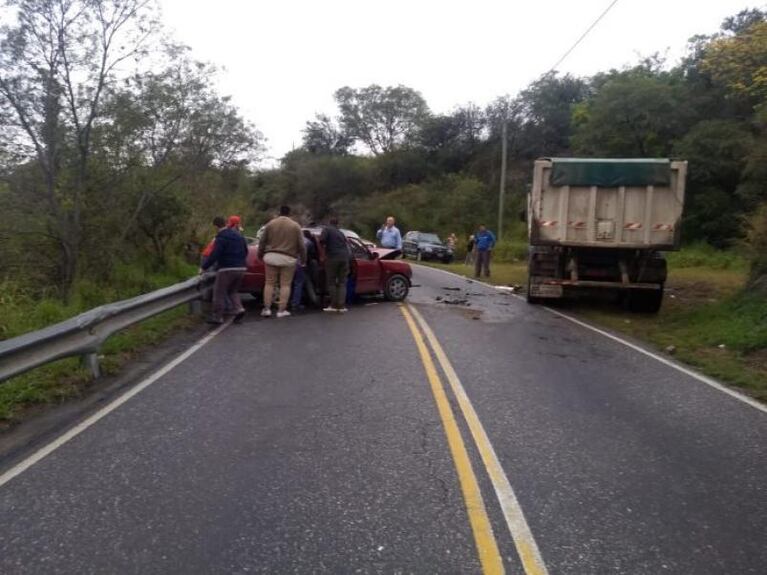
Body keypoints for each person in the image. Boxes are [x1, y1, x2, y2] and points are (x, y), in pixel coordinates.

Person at [257, 205, 306, 318]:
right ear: (290, 213)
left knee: (269, 283)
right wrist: (303, 260)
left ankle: (267, 309)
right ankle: (281, 310)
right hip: (288, 258)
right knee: (285, 285)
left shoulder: (271, 224)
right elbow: (302, 246)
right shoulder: (295, 226)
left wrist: (260, 254)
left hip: (271, 256)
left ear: (279, 212)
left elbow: (262, 242)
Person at [200, 215, 248, 324]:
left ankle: (218, 316)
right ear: (226, 223)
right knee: (233, 291)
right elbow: (246, 251)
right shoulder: (239, 236)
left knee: (219, 292)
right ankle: (239, 308)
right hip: (241, 267)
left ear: (215, 226)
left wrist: (204, 267)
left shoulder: (221, 237)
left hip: (227, 268)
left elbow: (215, 254)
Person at [320, 217, 351, 313]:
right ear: (337, 224)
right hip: (344, 258)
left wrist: (324, 251)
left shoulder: (327, 229)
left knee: (331, 282)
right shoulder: (341, 233)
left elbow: (322, 241)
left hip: (333, 257)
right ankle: (341, 306)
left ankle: (333, 305)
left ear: (329, 222)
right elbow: (347, 245)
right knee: (342, 282)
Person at [289, 231, 316, 311]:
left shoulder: (292, 240)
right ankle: (295, 304)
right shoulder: (309, 242)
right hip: (300, 264)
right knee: (299, 283)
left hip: (289, 263)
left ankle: (287, 302)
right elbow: (311, 256)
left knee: (288, 284)